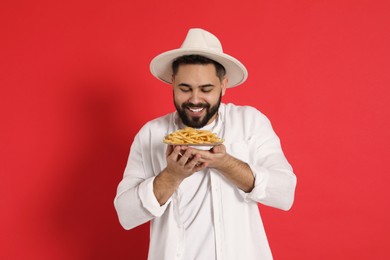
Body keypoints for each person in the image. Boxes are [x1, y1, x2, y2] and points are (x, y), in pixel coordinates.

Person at [114, 28, 297, 260]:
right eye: (185, 88)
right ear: (172, 82)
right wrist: (172, 176)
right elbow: (126, 214)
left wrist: (226, 164)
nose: (195, 99)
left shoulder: (251, 123)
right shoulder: (151, 134)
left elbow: (285, 193)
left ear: (224, 85)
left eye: (206, 89)